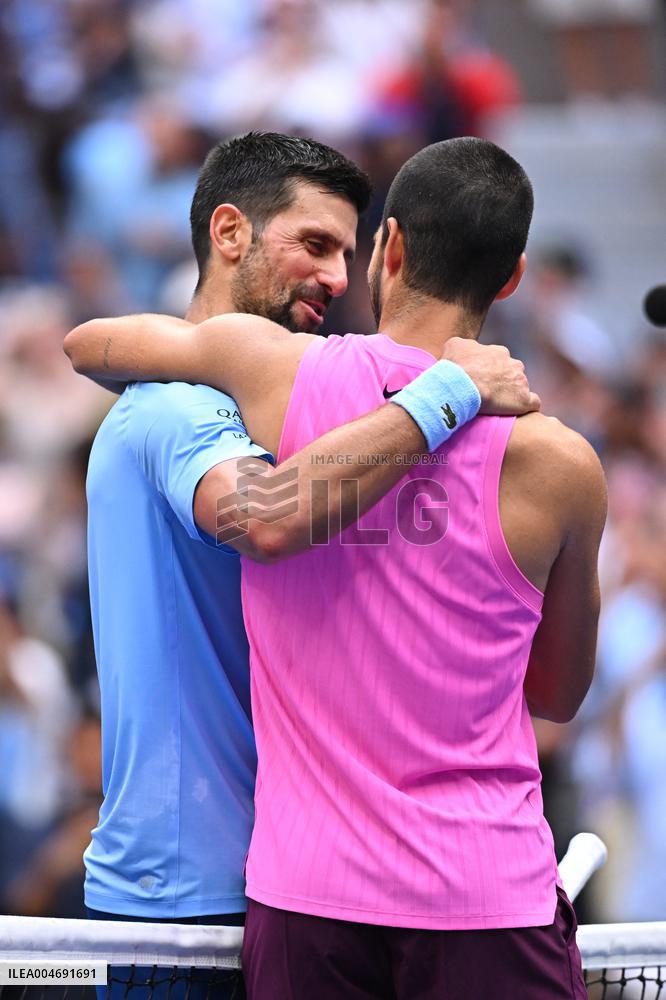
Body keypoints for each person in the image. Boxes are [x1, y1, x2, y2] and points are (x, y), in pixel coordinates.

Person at [67, 135, 606, 999]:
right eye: (315, 245)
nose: (334, 274)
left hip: (300, 897)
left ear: (389, 250)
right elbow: (560, 693)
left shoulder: (274, 378)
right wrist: (447, 395)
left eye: (348, 253)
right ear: (511, 279)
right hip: (451, 891)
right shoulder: (563, 461)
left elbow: (91, 341)